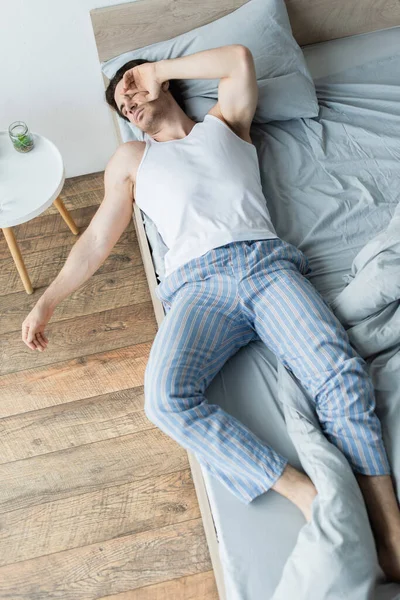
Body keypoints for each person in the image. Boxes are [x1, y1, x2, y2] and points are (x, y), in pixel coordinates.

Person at [22, 45, 400, 581]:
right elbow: (96, 240)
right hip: (197, 288)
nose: (126, 103)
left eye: (130, 88)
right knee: (164, 400)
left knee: (340, 375)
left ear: (162, 83)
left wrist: (151, 71)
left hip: (266, 266)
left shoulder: (226, 124)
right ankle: (305, 493)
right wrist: (47, 302)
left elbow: (239, 59)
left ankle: (389, 530)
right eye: (119, 103)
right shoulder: (132, 160)